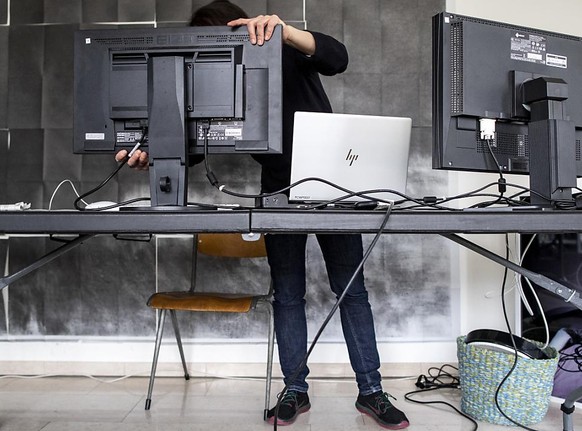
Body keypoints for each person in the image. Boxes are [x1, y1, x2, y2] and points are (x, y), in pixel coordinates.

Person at [115, 1, 410, 429]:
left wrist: (284, 31)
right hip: (277, 188)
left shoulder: (282, 46)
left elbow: (337, 57)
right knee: (287, 295)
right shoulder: (208, 77)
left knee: (352, 291)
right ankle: (295, 390)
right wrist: (153, 155)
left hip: (333, 185)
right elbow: (196, 145)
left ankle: (371, 392)